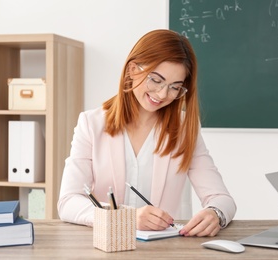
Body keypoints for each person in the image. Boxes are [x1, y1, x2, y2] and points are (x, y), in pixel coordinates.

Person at [57, 29, 236, 237]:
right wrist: (126, 218)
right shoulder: (91, 124)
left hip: (165, 249)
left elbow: (222, 198)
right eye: (156, 80)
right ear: (133, 69)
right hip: (105, 245)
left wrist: (216, 213)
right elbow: (69, 202)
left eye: (174, 87)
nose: (162, 94)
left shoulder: (185, 127)